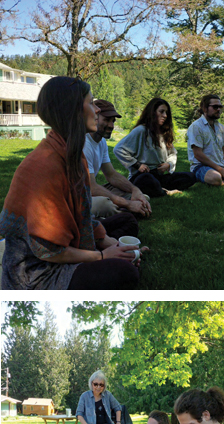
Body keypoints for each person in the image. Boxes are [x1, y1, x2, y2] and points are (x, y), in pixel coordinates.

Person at [0, 76, 146, 290]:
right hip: (36, 273)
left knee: (127, 223)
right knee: (125, 273)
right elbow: (49, 251)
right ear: (72, 110)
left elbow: (83, 217)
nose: (97, 110)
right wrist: (103, 256)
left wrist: (113, 245)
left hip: (66, 241)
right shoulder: (43, 166)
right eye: (91, 103)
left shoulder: (73, 155)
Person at [83, 99, 152, 218]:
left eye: (113, 121)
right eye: (106, 120)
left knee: (142, 197)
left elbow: (111, 175)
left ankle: (127, 209)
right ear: (94, 117)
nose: (111, 125)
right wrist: (127, 203)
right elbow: (91, 187)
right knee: (106, 205)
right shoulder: (84, 143)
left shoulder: (101, 142)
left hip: (91, 192)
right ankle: (124, 213)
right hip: (77, 196)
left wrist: (135, 190)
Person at [114, 98, 196, 197]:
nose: (165, 115)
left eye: (166, 113)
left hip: (159, 176)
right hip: (142, 176)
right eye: (161, 112)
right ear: (152, 112)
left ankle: (158, 188)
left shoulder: (164, 133)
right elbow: (118, 149)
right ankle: (165, 192)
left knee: (190, 177)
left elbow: (173, 153)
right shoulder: (141, 130)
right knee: (147, 179)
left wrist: (168, 164)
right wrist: (137, 165)